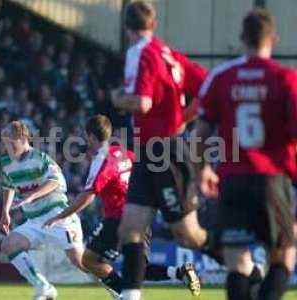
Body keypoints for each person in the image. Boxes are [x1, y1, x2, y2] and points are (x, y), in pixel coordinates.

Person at [110, 2, 265, 300]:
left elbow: (141, 102)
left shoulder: (140, 53)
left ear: (126, 28)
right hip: (147, 152)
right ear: (154, 24)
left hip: (165, 151)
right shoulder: (170, 55)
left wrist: (117, 97)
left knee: (188, 235)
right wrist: (184, 116)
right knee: (130, 228)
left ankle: (248, 268)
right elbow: (207, 84)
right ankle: (130, 297)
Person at [196, 8, 297, 300]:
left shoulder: (221, 77)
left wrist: (203, 169)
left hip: (231, 182)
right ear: (273, 39)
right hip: (271, 181)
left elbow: (200, 134)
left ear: (242, 38)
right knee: (283, 257)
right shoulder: (285, 79)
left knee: (238, 264)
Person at [43, 115, 200, 299]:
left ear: (91, 137)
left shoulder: (102, 160)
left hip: (119, 219)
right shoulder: (126, 153)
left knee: (89, 260)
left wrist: (61, 215)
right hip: (141, 215)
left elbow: (88, 195)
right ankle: (179, 273)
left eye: (87, 137)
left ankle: (122, 296)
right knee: (137, 269)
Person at [0, 120, 84, 300]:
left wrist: (32, 196)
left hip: (58, 216)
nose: (8, 148)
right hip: (34, 221)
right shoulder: (7, 163)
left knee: (80, 262)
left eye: (11, 143)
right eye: (5, 143)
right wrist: (5, 212)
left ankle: (119, 289)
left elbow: (55, 182)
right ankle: (44, 287)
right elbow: (8, 186)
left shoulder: (40, 158)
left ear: (23, 139)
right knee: (9, 244)